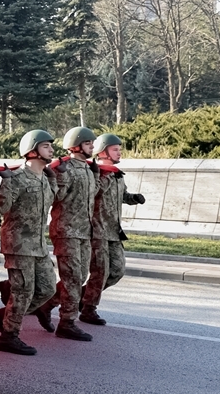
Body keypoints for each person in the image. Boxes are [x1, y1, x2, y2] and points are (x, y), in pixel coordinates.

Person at [0, 130, 58, 356]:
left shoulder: (46, 178)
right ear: (32, 150)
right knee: (24, 292)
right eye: (46, 146)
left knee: (48, 288)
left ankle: (5, 315)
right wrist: (6, 183)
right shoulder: (18, 177)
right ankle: (9, 336)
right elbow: (0, 207)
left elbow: (52, 201)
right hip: (18, 244)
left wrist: (56, 179)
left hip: (38, 245)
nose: (51, 150)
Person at [40, 126, 102, 342]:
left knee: (79, 276)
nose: (92, 146)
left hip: (84, 232)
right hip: (66, 231)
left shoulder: (87, 168)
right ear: (76, 146)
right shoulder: (63, 168)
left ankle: (46, 305)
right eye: (88, 143)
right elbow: (57, 197)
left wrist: (95, 176)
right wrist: (63, 177)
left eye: (92, 143)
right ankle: (67, 322)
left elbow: (91, 196)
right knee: (72, 278)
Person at [81, 134, 146, 325]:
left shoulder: (117, 174)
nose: (119, 152)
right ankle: (88, 309)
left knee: (117, 271)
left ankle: (82, 298)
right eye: (115, 149)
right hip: (97, 231)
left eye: (119, 148)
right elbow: (91, 193)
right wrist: (103, 175)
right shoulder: (95, 173)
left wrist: (134, 198)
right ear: (103, 152)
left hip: (114, 232)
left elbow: (122, 196)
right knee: (99, 272)